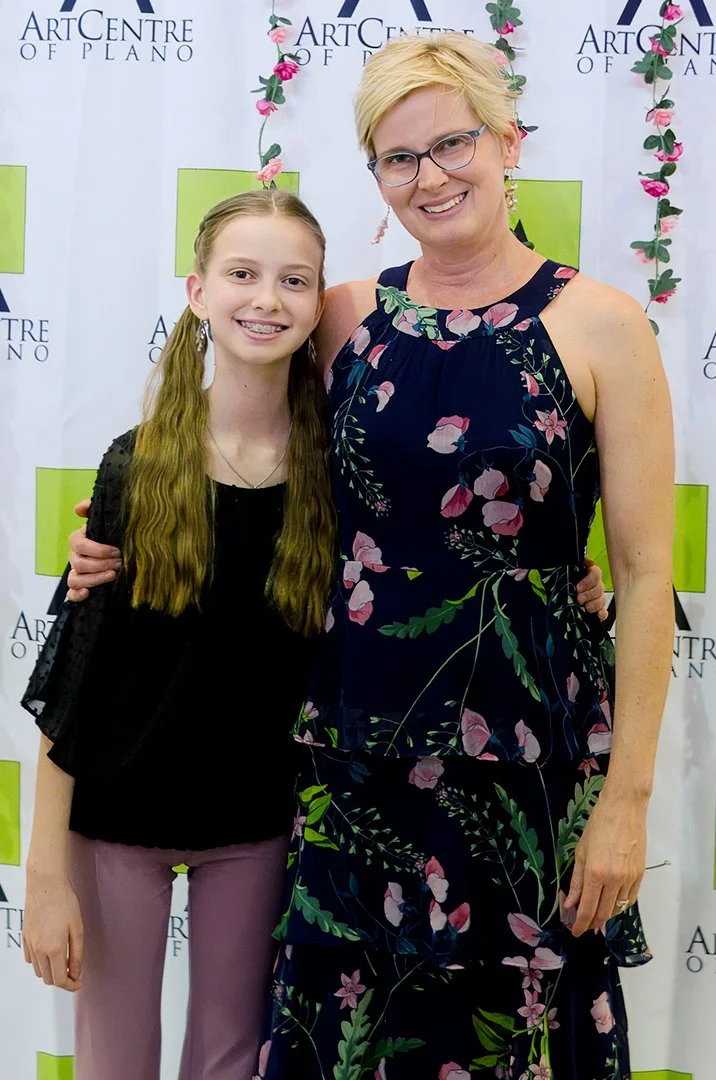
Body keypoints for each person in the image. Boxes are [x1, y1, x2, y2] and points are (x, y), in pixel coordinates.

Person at [59, 37, 630, 1080]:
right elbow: (246, 432)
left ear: (507, 143)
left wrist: (623, 799)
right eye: (396, 156)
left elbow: (638, 578)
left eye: (451, 142)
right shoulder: (347, 316)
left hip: (521, 757)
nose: (429, 174)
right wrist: (110, 531)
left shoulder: (601, 325)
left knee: (510, 1039)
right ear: (374, 175)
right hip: (346, 765)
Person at [20, 188, 336, 1080]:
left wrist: (578, 582)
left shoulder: (335, 473)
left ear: (319, 305)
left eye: (294, 280)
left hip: (258, 819)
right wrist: (44, 871)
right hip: (117, 816)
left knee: (230, 1060)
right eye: (242, 273)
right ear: (198, 293)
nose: (266, 299)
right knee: (114, 1062)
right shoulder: (137, 461)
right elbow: (71, 677)